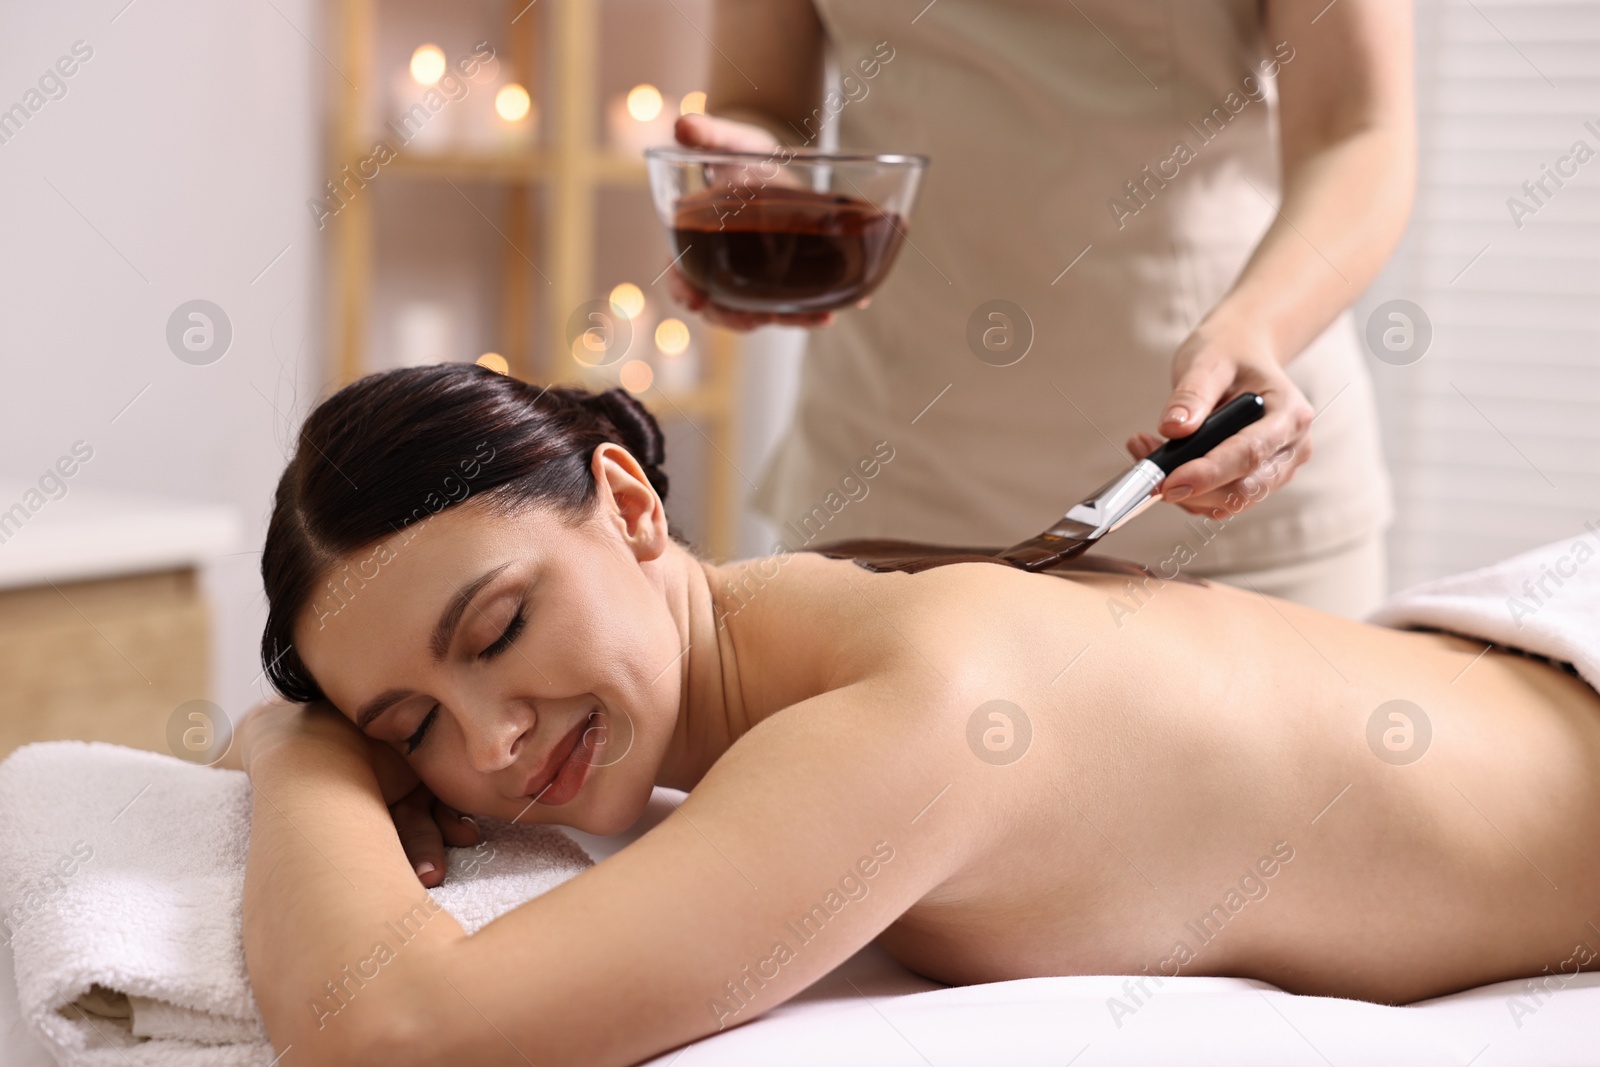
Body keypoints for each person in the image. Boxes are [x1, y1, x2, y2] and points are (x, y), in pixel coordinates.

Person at [234, 365, 1600, 1067]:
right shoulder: (838, 614)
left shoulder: (915, 706)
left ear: (633, 506)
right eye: (407, 725)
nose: (487, 744)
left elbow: (394, 1030)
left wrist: (293, 749)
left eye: (500, 629)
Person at [668, 0, 1415, 619]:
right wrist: (752, 177)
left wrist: (1255, 326)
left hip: (1213, 485)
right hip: (888, 484)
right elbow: (761, 101)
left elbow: (1359, 130)